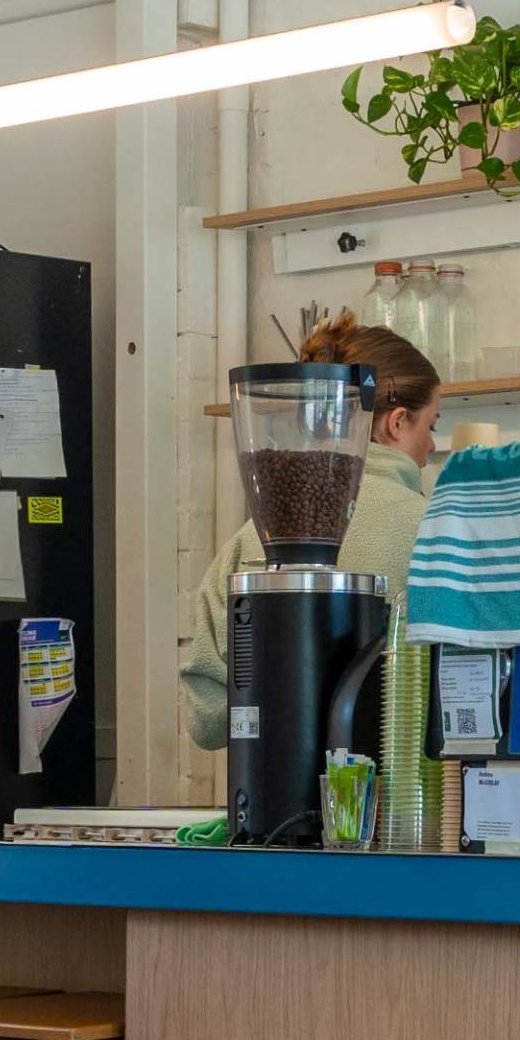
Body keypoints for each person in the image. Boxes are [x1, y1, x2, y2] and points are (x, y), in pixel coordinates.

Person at [180, 316, 445, 750]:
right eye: (430, 425)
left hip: (268, 804)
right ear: (397, 422)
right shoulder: (437, 533)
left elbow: (207, 722)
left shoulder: (249, 541)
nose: (432, 446)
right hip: (401, 806)